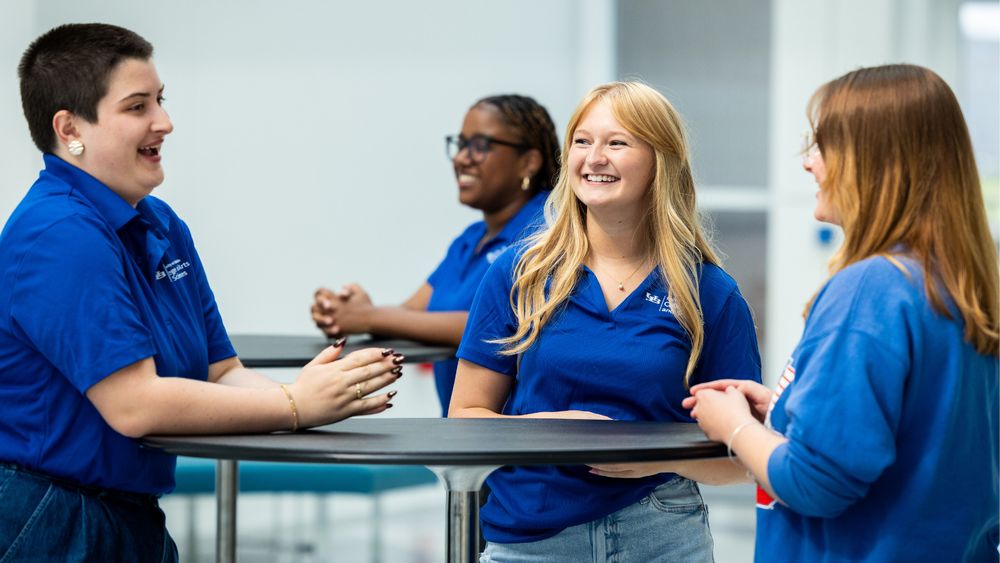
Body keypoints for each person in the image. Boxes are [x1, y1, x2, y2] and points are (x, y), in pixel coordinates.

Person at [0, 23, 401, 562]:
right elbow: (135, 405)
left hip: (127, 512)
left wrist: (313, 393)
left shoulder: (161, 224)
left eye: (160, 100)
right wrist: (293, 405)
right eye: (138, 106)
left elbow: (221, 371)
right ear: (70, 128)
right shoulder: (59, 234)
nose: (164, 122)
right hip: (51, 516)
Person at [684, 64, 999, 562]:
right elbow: (917, 436)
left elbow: (815, 483)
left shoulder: (870, 289)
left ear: (873, 161)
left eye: (823, 146)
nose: (810, 163)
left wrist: (734, 427)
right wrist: (784, 411)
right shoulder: (957, 285)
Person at [449, 81, 762, 562]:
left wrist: (650, 457)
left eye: (617, 142)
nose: (594, 158)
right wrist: (554, 430)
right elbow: (465, 419)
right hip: (531, 536)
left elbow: (744, 458)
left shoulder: (709, 293)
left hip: (661, 532)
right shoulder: (518, 274)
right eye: (582, 141)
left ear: (661, 160)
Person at [311, 94, 560, 415]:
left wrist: (368, 317)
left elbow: (495, 325)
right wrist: (348, 310)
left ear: (529, 161)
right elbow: (410, 314)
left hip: (519, 443)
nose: (461, 159)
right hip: (465, 436)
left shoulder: (549, 228)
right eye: (461, 143)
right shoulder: (470, 240)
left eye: (481, 145)